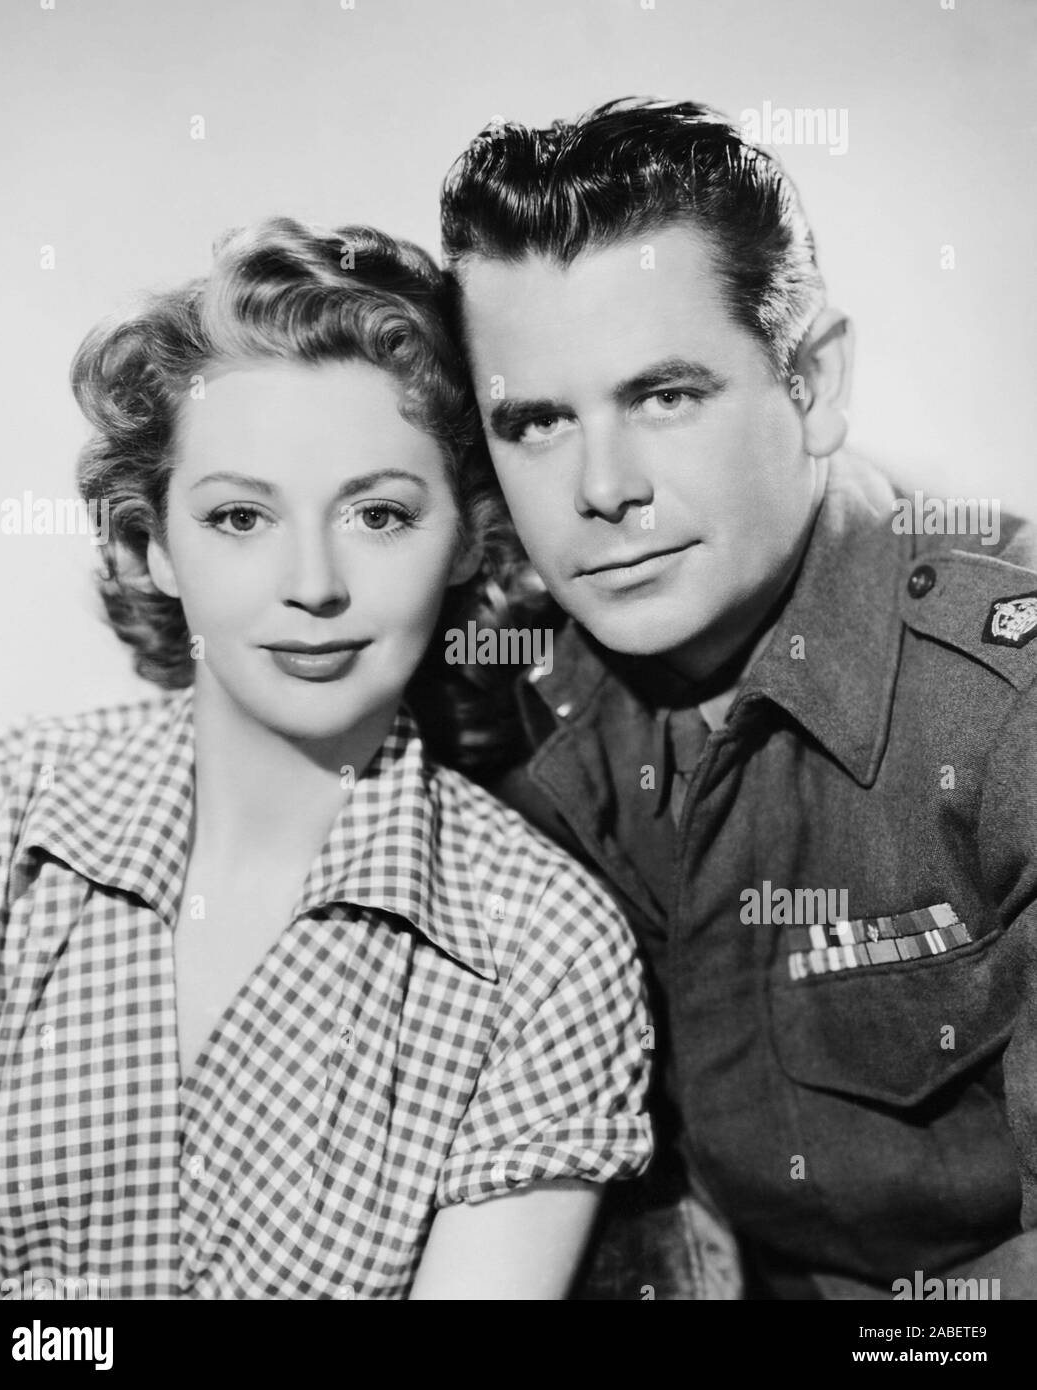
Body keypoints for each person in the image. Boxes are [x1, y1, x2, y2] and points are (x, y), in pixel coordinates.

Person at [0, 217, 654, 1301]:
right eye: (240, 516)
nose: (314, 583)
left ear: (471, 537)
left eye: (378, 513)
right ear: (151, 547)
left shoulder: (545, 949)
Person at [438, 99, 1037, 1299]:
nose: (602, 489)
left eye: (664, 396)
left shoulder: (1005, 708)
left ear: (810, 380)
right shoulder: (496, 688)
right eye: (538, 421)